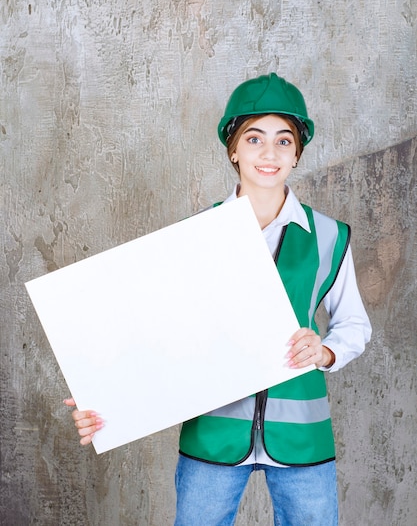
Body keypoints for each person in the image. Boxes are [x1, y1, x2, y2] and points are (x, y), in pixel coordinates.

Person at [65, 73, 371, 526]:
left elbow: (354, 325)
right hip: (214, 434)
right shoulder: (196, 237)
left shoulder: (330, 235)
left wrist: (325, 350)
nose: (269, 153)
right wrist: (104, 396)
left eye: (283, 141)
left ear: (297, 152)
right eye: (254, 139)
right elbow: (159, 333)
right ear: (233, 149)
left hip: (302, 438)